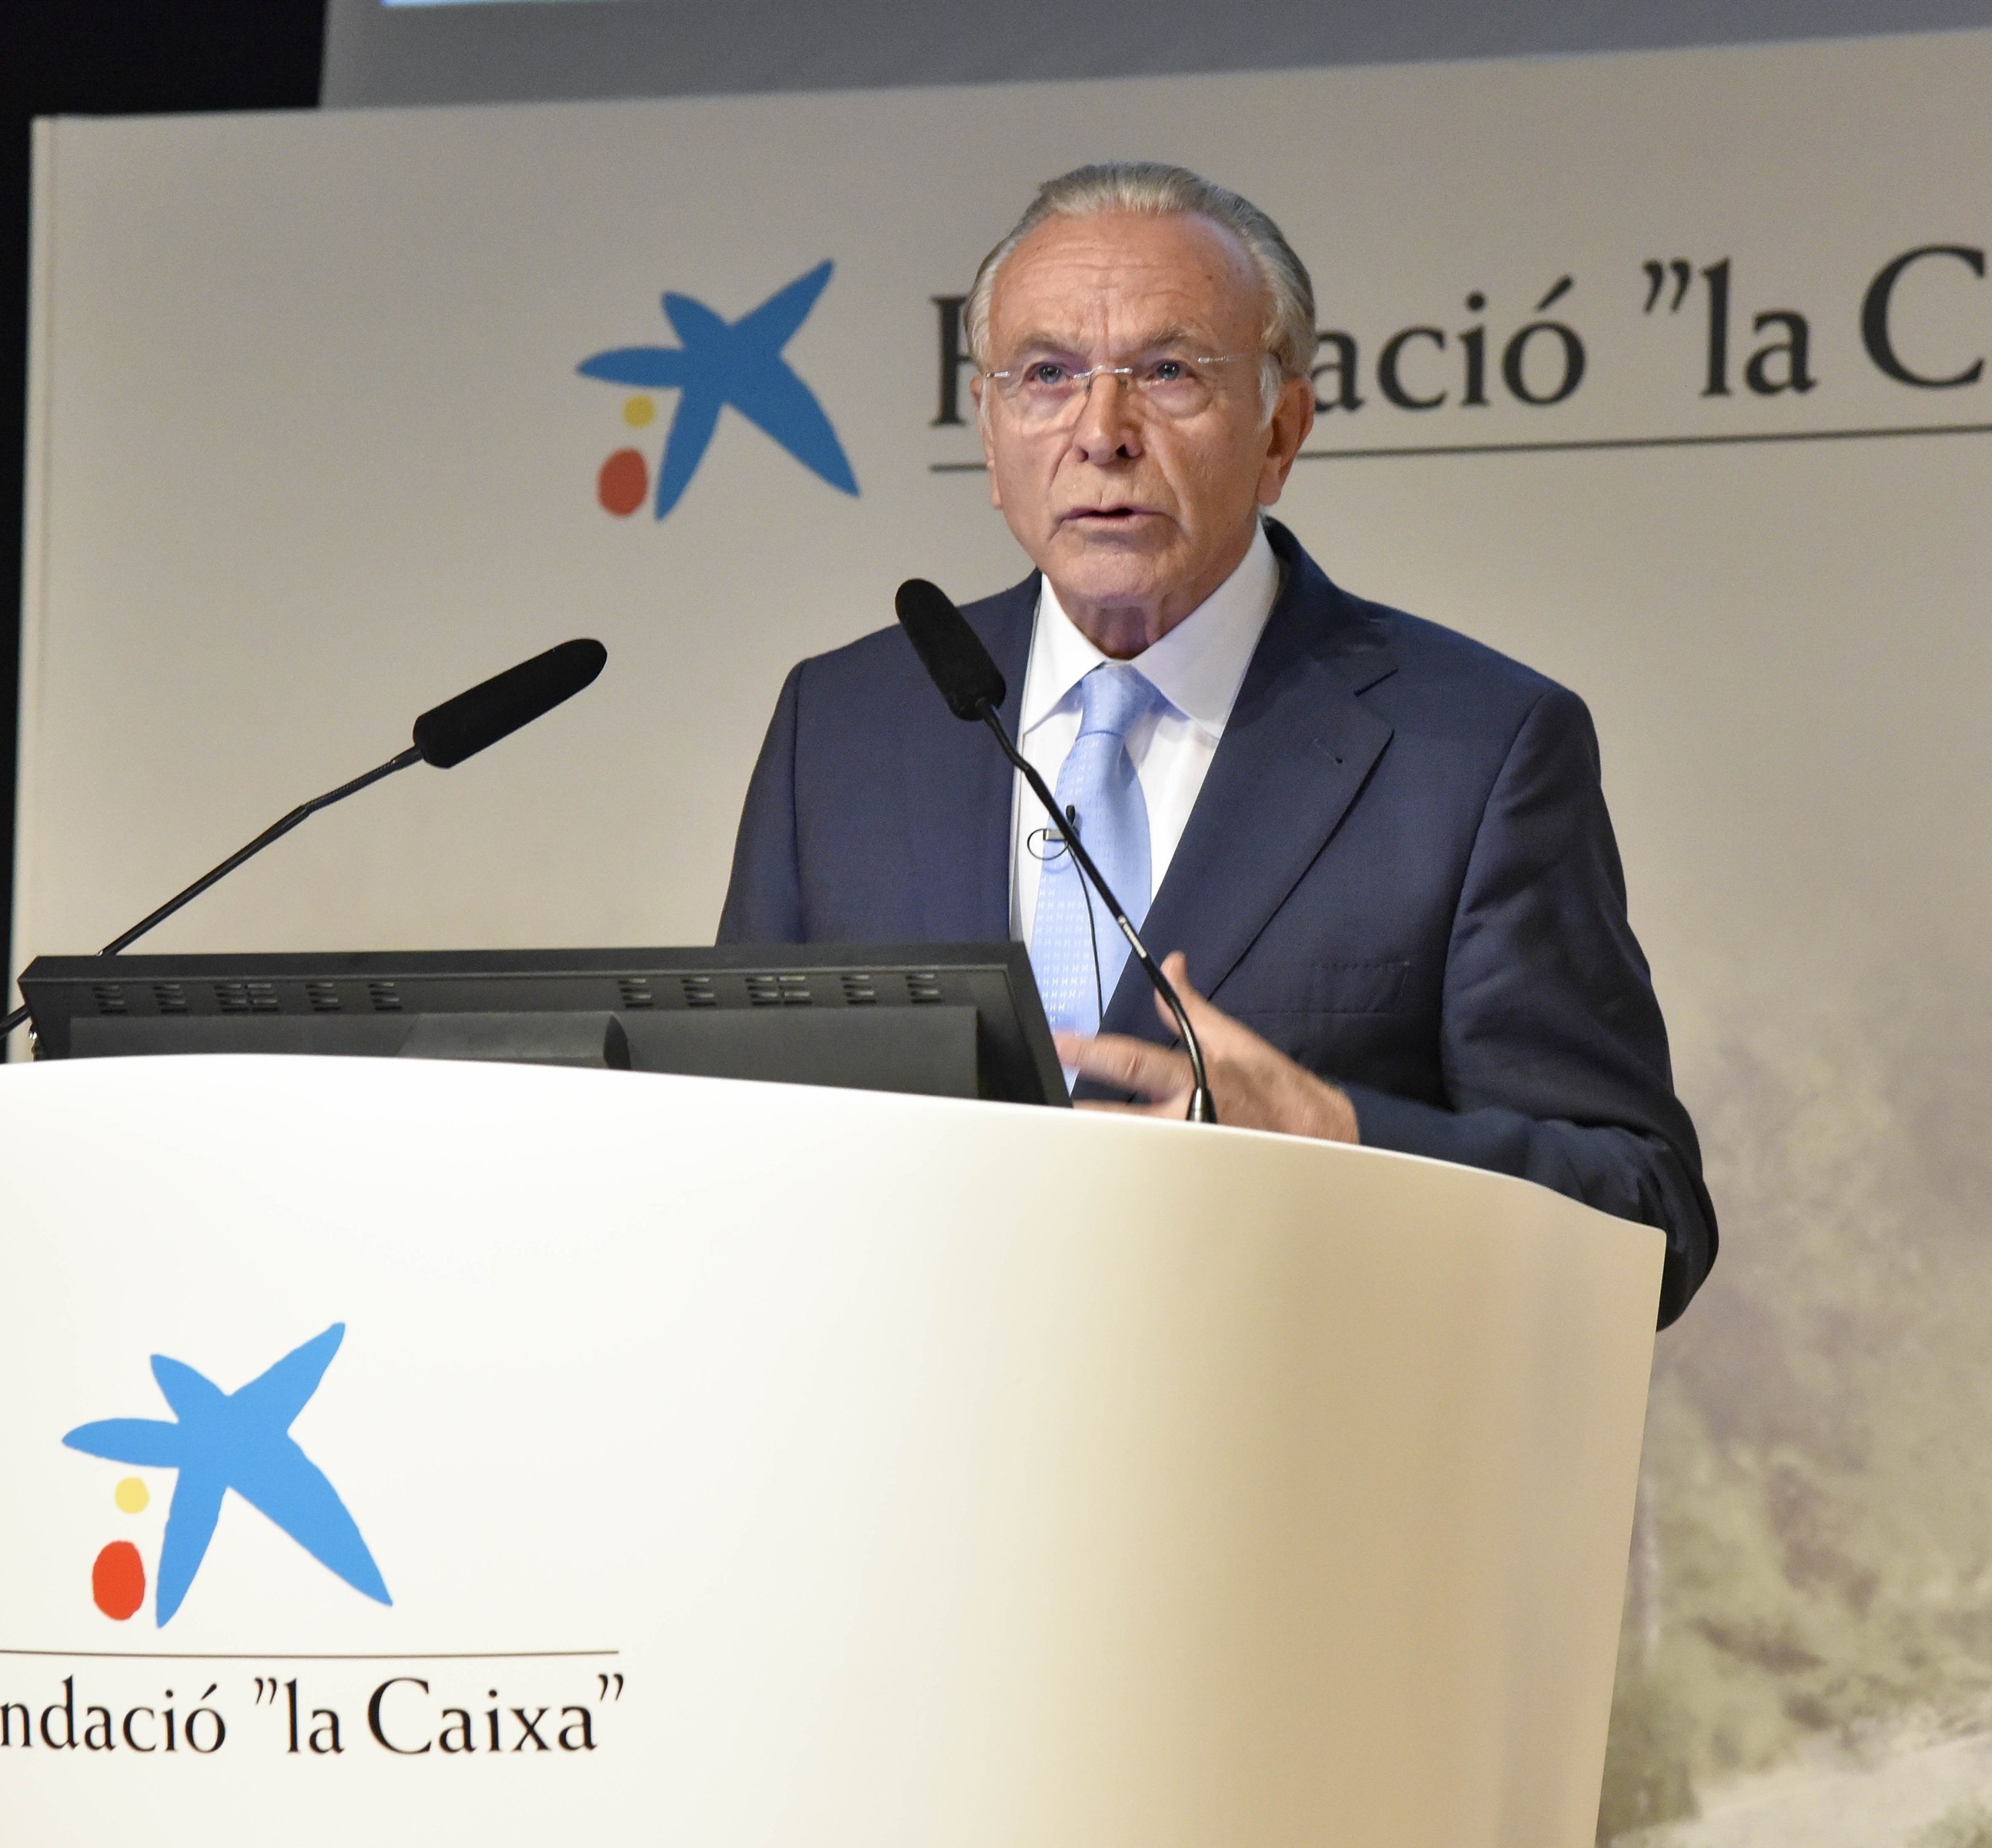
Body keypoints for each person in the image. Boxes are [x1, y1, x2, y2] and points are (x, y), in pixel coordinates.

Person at [720, 162, 1718, 1324]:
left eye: (1169, 373)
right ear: (990, 435)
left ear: (1280, 430)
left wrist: (1341, 1141)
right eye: (1046, 375)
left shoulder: (1474, 750)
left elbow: (1647, 1219)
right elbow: (732, 1135)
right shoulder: (844, 726)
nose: (1103, 434)